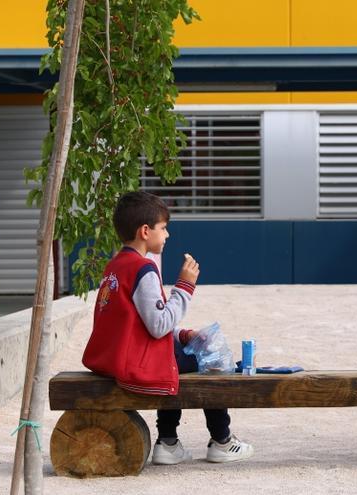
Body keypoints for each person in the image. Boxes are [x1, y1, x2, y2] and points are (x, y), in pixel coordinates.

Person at [82, 191, 254, 465]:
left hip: (115, 356)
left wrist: (182, 334)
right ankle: (221, 441)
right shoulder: (143, 269)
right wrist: (184, 286)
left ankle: (169, 442)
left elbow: (139, 323)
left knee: (183, 350)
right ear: (145, 231)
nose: (168, 235)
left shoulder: (115, 266)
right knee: (210, 359)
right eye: (164, 228)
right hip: (134, 362)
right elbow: (158, 325)